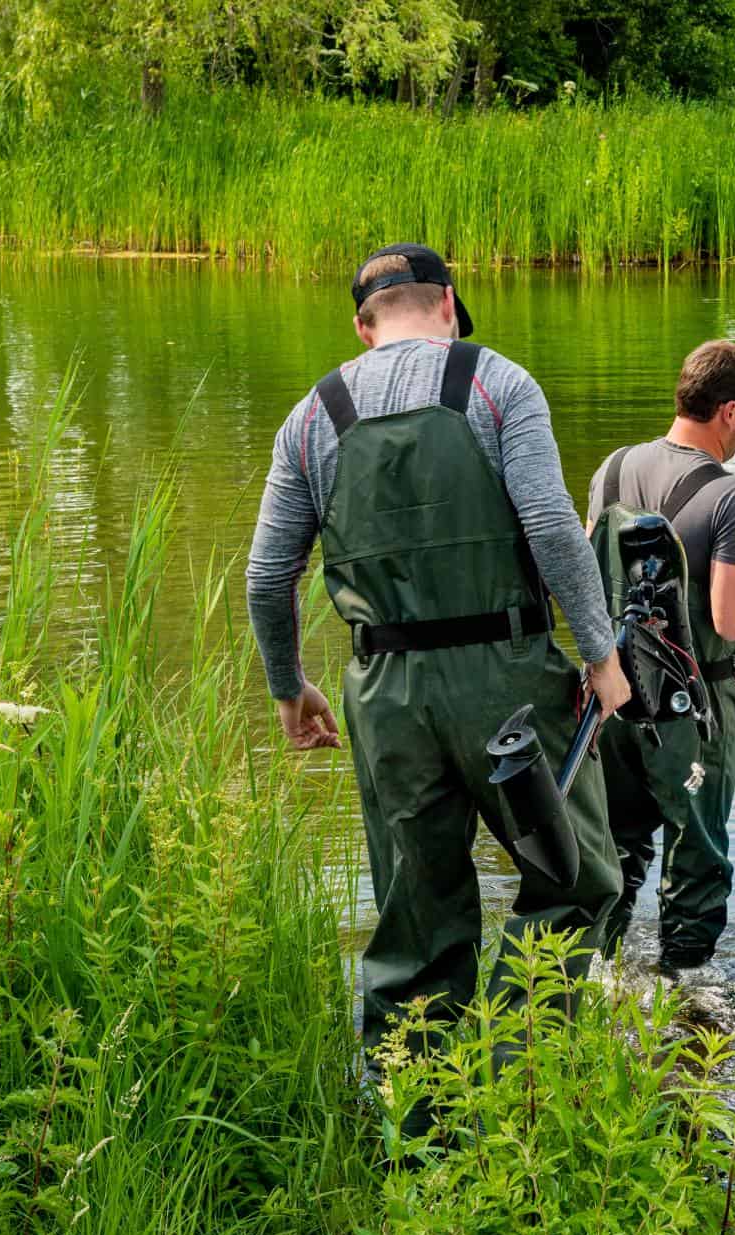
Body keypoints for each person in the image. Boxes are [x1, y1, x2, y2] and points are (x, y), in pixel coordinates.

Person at [247, 242, 630, 1063]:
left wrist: (290, 689)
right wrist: (600, 654)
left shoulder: (311, 416)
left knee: (415, 918)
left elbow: (266, 576)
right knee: (580, 880)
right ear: (449, 306)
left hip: (384, 694)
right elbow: (554, 529)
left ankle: (417, 1141)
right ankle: (511, 1082)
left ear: (362, 327)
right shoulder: (497, 383)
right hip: (510, 684)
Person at [587, 341, 735, 973]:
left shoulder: (613, 470)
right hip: (694, 709)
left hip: (615, 696)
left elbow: (592, 579)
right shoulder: (733, 495)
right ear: (729, 411)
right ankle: (682, 991)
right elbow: (731, 618)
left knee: (614, 848)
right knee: (695, 851)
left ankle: (594, 981)